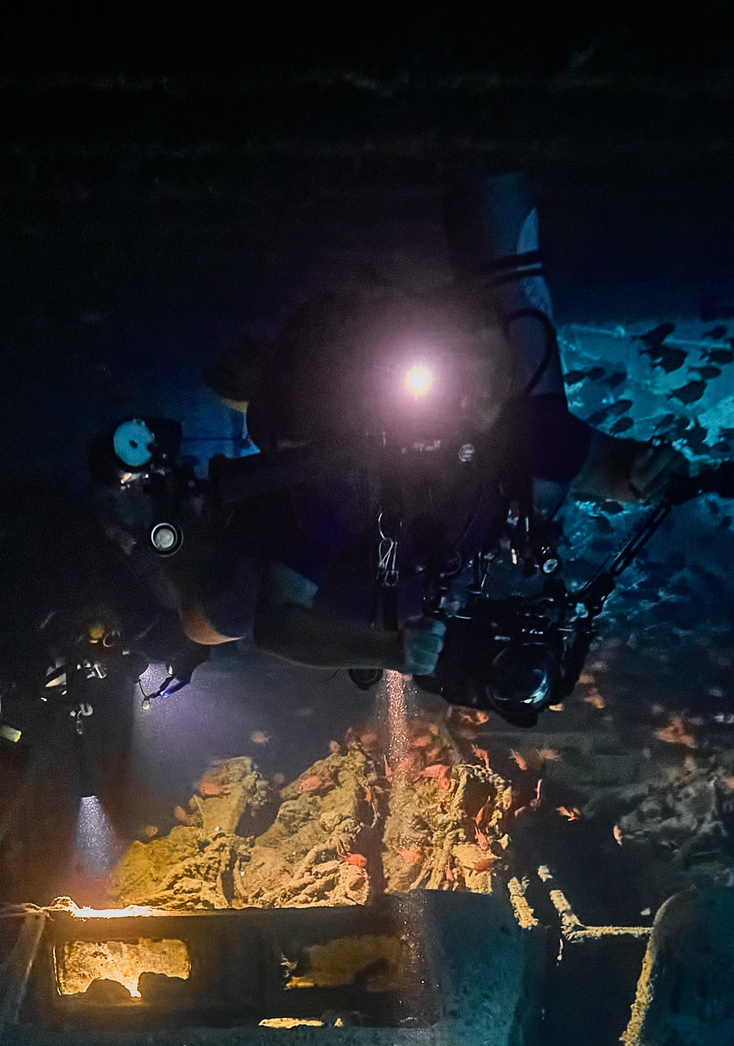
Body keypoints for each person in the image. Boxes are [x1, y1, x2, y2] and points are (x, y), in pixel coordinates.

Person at [133, 173, 692, 682]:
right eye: (461, 382)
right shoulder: (352, 471)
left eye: (492, 381)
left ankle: (258, 383)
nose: (476, 399)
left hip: (411, 597)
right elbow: (278, 624)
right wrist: (384, 650)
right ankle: (198, 494)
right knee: (205, 624)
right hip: (344, 593)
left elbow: (612, 470)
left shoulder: (527, 436)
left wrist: (649, 471)